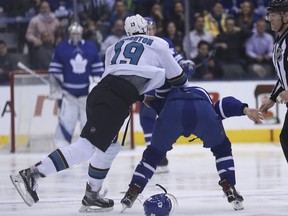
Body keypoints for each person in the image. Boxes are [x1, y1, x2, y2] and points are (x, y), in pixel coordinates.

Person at [10, 14, 188, 212]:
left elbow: (120, 76)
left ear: (127, 32)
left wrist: (142, 97)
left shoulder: (114, 47)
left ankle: (92, 195)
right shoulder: (158, 43)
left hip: (101, 94)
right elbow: (179, 79)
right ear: (146, 28)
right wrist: (185, 92)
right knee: (86, 147)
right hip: (114, 101)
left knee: (110, 148)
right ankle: (32, 174)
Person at [121, 82, 263, 212]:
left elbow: (147, 99)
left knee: (153, 156)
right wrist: (245, 109)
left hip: (173, 108)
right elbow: (225, 104)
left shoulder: (165, 93)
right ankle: (229, 185)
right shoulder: (201, 92)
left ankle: (133, 190)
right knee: (222, 148)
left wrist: (137, 96)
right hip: (202, 109)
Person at [139, 17, 194, 173]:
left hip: (160, 86)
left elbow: (177, 59)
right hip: (146, 86)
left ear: (155, 29)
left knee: (157, 119)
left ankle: (157, 152)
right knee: (147, 119)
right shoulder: (143, 43)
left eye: (151, 28)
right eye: (146, 28)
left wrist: (186, 64)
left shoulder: (162, 42)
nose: (149, 31)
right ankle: (155, 153)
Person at [48, 22, 104, 148]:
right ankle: (60, 148)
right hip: (68, 94)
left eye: (77, 33)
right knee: (66, 120)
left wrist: (94, 87)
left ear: (82, 33)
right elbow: (54, 71)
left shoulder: (90, 47)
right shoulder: (61, 47)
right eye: (73, 33)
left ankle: (90, 146)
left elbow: (98, 71)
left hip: (86, 94)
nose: (75, 36)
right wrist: (56, 87)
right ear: (69, 33)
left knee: (88, 121)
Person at [260, 0, 288, 163]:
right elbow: (282, 76)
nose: (269, 19)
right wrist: (272, 98)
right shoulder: (279, 42)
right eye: (268, 15)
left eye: (273, 15)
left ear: (286, 16)